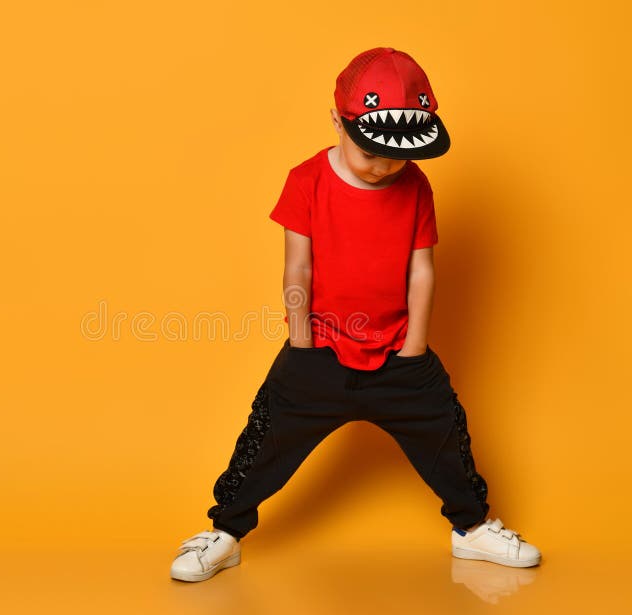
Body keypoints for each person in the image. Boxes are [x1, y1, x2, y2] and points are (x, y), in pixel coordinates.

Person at [170, 47, 541, 583]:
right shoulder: (306, 181)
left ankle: (473, 529)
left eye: (397, 155)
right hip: (318, 349)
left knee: (445, 433)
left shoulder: (414, 185)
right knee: (265, 440)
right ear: (336, 121)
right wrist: (302, 345)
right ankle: (224, 533)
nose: (384, 165)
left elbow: (421, 270)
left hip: (398, 353)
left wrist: (414, 346)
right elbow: (297, 270)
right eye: (371, 151)